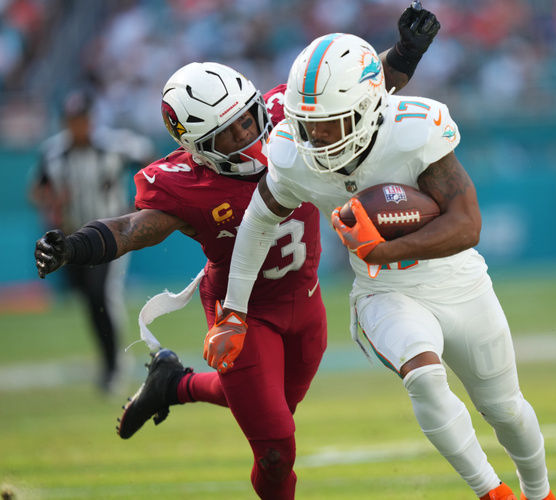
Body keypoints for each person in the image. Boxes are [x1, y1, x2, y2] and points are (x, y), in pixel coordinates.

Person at [33, 6, 440, 499]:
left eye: (247, 119)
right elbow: (132, 228)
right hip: (241, 315)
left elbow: (356, 91)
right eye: (228, 133)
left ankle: (174, 385)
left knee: (268, 409)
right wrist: (73, 246)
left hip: (306, 302)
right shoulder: (188, 184)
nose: (248, 134)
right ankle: (180, 389)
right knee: (275, 446)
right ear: (199, 146)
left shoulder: (284, 115)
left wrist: (406, 51)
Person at [210, 33, 555, 500]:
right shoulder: (293, 155)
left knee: (505, 409)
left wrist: (383, 247)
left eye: (331, 123)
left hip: (456, 278)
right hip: (383, 291)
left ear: (369, 107)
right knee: (424, 377)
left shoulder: (413, 130)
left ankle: (540, 492)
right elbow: (257, 221)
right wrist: (233, 310)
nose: (317, 137)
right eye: (308, 125)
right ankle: (492, 492)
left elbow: (468, 224)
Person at [29, 89, 155, 393]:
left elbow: (151, 162)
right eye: (73, 120)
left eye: (83, 119)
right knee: (90, 298)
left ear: (92, 120)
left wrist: (139, 206)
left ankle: (114, 365)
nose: (79, 126)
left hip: (111, 234)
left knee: (102, 294)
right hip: (73, 238)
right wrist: (51, 204)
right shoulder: (54, 152)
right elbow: (37, 190)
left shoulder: (115, 145)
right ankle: (109, 361)